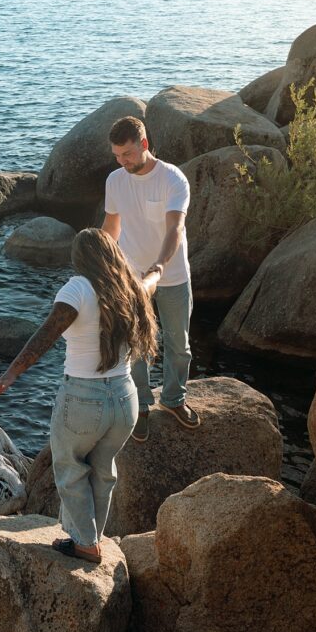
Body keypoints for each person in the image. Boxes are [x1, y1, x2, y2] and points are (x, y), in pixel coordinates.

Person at [0, 227, 158, 564]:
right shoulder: (129, 289)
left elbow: (45, 336)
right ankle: (88, 537)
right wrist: (157, 272)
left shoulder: (77, 288)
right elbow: (149, 285)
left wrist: (9, 375)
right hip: (126, 400)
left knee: (69, 467)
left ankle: (85, 544)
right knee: (103, 469)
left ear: (80, 259)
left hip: (84, 400)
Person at [102, 115, 199, 442]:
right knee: (134, 346)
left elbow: (175, 229)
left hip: (171, 276)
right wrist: (97, 263)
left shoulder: (173, 180)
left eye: (127, 154)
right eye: (117, 155)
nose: (121, 161)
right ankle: (141, 406)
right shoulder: (115, 180)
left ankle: (173, 400)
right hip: (130, 278)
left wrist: (158, 268)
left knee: (178, 345)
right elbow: (112, 228)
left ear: (144, 144)